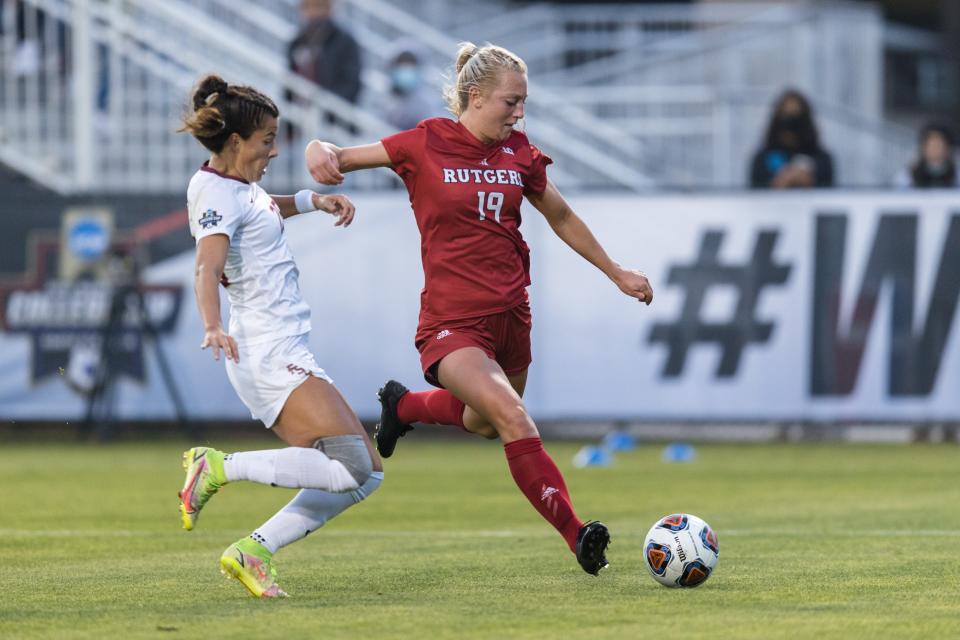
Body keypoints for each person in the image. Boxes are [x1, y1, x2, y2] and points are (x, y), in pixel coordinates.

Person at [304, 42, 653, 576]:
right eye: (511, 102)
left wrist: (617, 272)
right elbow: (338, 154)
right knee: (513, 417)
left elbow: (560, 215)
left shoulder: (520, 153)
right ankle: (578, 533)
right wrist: (315, 149)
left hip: (512, 316)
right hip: (452, 323)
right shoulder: (424, 142)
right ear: (475, 96)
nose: (519, 113)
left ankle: (405, 408)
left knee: (485, 422)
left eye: (523, 103)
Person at [177, 74, 383, 599]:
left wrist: (313, 201)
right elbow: (207, 268)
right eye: (267, 139)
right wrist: (211, 325)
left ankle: (253, 550)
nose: (274, 149)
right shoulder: (218, 194)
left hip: (284, 346)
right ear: (236, 142)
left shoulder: (236, 188)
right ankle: (219, 466)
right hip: (265, 350)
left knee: (368, 473)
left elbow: (262, 206)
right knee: (351, 467)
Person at [288, 0, 361, 129]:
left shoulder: (345, 41)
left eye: (318, 6)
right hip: (300, 119)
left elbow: (351, 83)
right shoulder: (297, 41)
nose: (313, 12)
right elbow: (289, 81)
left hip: (334, 122)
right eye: (307, 6)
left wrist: (325, 108)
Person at [749, 89, 834, 189]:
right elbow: (755, 195)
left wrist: (807, 180)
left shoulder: (821, 160)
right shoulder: (762, 159)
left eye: (796, 119)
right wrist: (779, 182)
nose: (790, 126)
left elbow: (828, 193)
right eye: (786, 118)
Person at [383, 46, 442, 131]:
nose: (405, 70)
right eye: (401, 64)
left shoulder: (425, 104)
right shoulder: (385, 95)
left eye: (410, 65)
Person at [893, 123, 959, 188]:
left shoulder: (956, 175)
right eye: (931, 145)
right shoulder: (909, 175)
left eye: (938, 145)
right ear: (923, 147)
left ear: (947, 148)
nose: (934, 149)